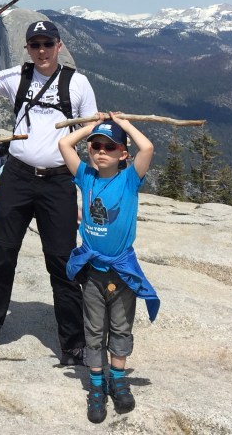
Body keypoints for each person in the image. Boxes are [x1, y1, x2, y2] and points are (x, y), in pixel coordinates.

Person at [0, 19, 97, 366]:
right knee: (1, 256)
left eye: (48, 44)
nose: (42, 50)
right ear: (28, 48)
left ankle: (73, 341)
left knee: (63, 261)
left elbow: (93, 129)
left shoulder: (77, 84)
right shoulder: (17, 76)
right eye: (35, 45)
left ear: (59, 46)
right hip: (16, 177)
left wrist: (88, 182)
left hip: (59, 181)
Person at [59, 113, 161, 424]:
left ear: (123, 154)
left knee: (120, 327)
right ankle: (96, 384)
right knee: (93, 330)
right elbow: (64, 143)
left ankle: (118, 378)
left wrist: (124, 124)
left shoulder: (130, 178)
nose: (101, 150)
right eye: (96, 146)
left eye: (110, 146)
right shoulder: (85, 176)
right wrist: (93, 127)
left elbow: (148, 148)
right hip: (92, 271)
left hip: (122, 271)